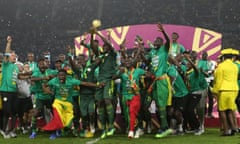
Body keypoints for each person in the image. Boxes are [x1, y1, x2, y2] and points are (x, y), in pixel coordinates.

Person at [41, 69, 101, 139]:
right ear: (57, 76)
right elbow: (44, 85)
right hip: (58, 102)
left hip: (68, 103)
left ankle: (63, 131)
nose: (61, 77)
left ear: (66, 76)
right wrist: (49, 92)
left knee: (68, 123)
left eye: (63, 75)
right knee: (58, 116)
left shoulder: (71, 80)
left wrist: (97, 85)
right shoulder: (54, 80)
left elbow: (85, 83)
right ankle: (54, 132)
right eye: (59, 75)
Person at [144, 23, 173, 138]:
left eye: (157, 41)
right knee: (153, 104)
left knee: (161, 105)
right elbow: (147, 62)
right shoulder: (152, 52)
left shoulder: (164, 50)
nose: (155, 42)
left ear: (161, 43)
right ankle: (162, 126)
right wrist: (141, 51)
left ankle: (164, 127)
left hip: (162, 81)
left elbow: (168, 41)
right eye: (155, 41)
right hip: (154, 82)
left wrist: (163, 32)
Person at [92, 28, 117, 139]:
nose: (105, 47)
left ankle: (111, 126)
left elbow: (108, 44)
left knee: (107, 100)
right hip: (100, 81)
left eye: (106, 46)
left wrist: (99, 34)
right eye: (104, 47)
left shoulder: (112, 54)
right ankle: (103, 128)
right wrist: (92, 36)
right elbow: (93, 47)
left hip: (108, 80)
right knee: (99, 103)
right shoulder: (101, 56)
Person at [212, 48, 239, 136]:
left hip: (224, 90)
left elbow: (218, 80)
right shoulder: (235, 66)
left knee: (222, 110)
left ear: (223, 57)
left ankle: (226, 130)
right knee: (231, 110)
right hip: (234, 90)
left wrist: (215, 91)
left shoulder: (221, 66)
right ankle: (234, 128)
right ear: (231, 57)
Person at [0, 36, 19, 138]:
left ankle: (12, 131)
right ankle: (4, 131)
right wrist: (9, 43)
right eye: (12, 55)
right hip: (5, 91)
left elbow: (17, 78)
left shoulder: (16, 66)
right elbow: (6, 52)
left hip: (14, 91)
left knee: (15, 112)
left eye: (15, 55)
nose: (14, 56)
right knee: (7, 112)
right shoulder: (6, 64)